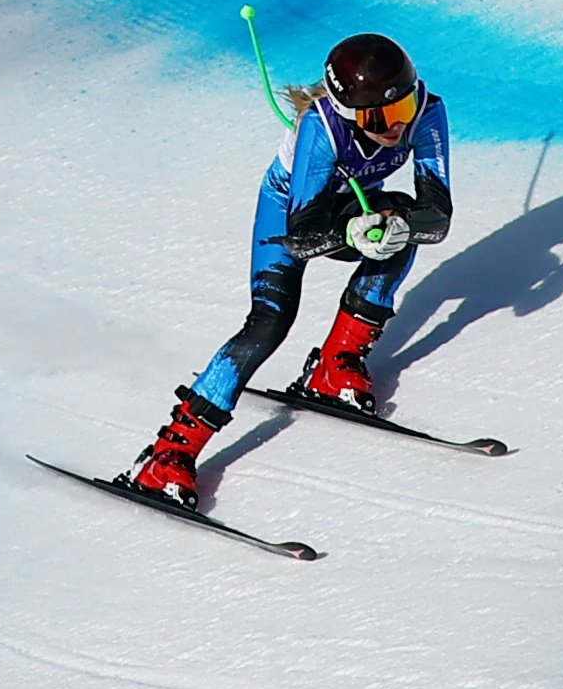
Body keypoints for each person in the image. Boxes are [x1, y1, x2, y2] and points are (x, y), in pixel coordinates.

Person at [122, 32, 452, 508]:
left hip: (347, 210)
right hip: (292, 213)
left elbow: (437, 217)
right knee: (271, 320)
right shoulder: (322, 128)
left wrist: (388, 226)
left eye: (402, 109)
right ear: (347, 112)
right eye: (379, 117)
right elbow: (303, 234)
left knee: (399, 227)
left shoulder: (427, 111)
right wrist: (352, 234)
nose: (396, 126)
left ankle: (336, 367)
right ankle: (168, 454)